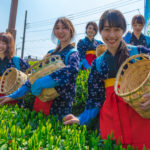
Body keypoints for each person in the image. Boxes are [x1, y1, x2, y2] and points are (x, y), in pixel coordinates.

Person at [64, 10, 150, 150]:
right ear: (101, 32)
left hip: (140, 119)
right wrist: (81, 119)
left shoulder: (139, 52)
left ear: (123, 30)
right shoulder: (97, 64)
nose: (111, 35)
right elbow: (95, 99)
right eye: (107, 30)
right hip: (110, 122)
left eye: (117, 29)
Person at [0, 17, 80, 120]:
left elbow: (72, 71)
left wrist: (44, 81)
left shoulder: (73, 53)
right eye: (57, 28)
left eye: (64, 28)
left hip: (60, 104)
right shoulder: (51, 53)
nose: (60, 31)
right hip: (41, 100)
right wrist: (12, 96)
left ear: (71, 31)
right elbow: (34, 78)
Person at [0, 32, 29, 106]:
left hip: (14, 99)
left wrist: (24, 83)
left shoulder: (17, 60)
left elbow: (32, 73)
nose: (0, 45)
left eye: (3, 43)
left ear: (9, 45)